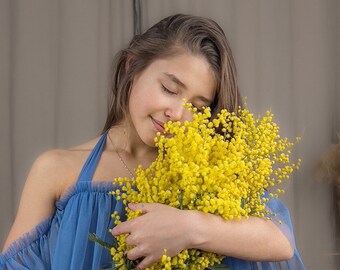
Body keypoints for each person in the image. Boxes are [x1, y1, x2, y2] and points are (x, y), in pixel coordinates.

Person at [0, 14, 305, 270]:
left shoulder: (206, 168)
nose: (177, 114)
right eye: (169, 89)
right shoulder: (56, 169)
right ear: (131, 67)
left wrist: (191, 228)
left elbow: (280, 241)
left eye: (197, 108)